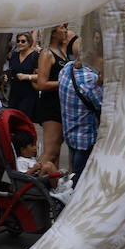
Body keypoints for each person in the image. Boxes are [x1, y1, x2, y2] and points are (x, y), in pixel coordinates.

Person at [59, 28, 104, 178]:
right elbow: (104, 105)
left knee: (74, 175)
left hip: (70, 134)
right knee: (81, 178)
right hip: (85, 138)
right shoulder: (90, 79)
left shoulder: (66, 69)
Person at [33, 24, 70, 168]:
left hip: (61, 105)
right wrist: (64, 83)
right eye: (63, 28)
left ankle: (50, 184)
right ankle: (28, 181)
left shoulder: (62, 52)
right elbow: (42, 84)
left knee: (57, 152)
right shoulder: (47, 53)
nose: (66, 31)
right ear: (54, 33)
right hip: (50, 106)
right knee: (51, 151)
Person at [4, 31, 40, 119]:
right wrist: (7, 76)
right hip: (14, 94)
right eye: (18, 41)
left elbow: (41, 76)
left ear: (29, 42)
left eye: (23, 41)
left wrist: (27, 77)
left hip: (28, 95)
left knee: (23, 121)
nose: (20, 43)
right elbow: (12, 71)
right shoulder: (15, 55)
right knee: (11, 120)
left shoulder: (35, 56)